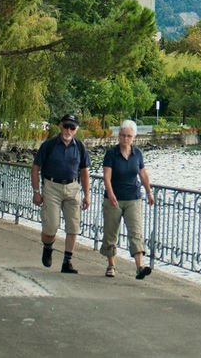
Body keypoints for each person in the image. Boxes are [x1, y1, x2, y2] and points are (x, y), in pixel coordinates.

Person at [31, 113, 91, 274]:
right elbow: (35, 168)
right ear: (60, 126)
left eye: (72, 127)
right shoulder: (49, 145)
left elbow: (84, 172)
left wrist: (87, 194)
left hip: (72, 188)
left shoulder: (80, 147)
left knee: (73, 226)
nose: (68, 130)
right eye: (66, 126)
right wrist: (36, 191)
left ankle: (67, 262)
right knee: (51, 227)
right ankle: (48, 246)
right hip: (52, 187)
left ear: (76, 129)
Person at [100, 119, 155, 279]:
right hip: (114, 198)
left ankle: (139, 267)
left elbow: (143, 174)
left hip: (133, 198)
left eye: (129, 136)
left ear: (134, 137)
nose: (125, 139)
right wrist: (110, 194)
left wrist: (149, 192)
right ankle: (111, 265)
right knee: (111, 233)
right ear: (119, 136)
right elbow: (107, 177)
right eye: (123, 135)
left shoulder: (137, 154)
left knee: (136, 232)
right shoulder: (111, 154)